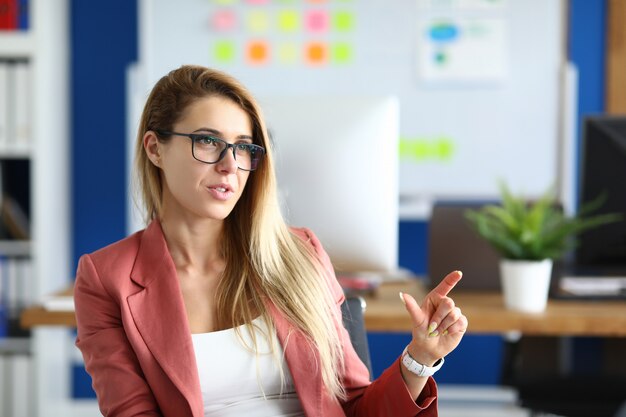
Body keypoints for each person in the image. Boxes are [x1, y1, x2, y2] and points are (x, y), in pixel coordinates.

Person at [74, 65, 468, 417]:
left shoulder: (299, 255)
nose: (230, 165)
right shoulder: (106, 278)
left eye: (244, 147)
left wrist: (420, 358)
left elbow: (354, 406)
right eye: (208, 141)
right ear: (155, 148)